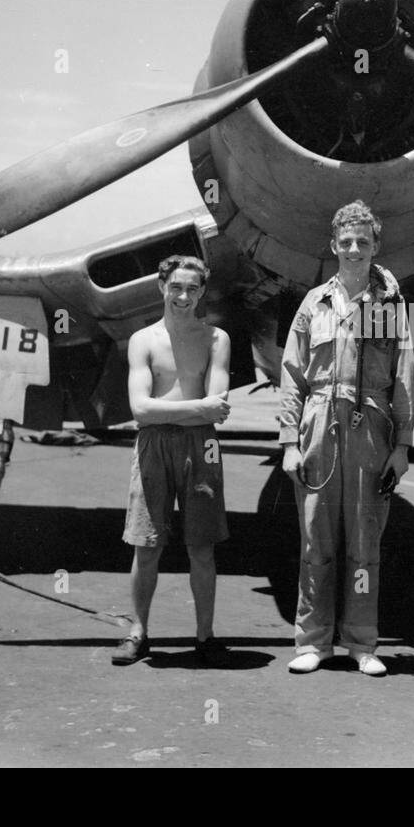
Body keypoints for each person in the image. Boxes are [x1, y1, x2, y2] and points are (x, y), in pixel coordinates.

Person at [278, 201, 414, 677]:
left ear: (375, 245)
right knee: (316, 539)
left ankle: (361, 642)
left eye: (363, 242)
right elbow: (293, 374)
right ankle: (313, 641)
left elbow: (403, 377)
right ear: (333, 246)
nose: (354, 249)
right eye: (346, 242)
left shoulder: (391, 306)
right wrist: (289, 442)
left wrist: (401, 446)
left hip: (370, 426)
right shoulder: (313, 303)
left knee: (364, 544)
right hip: (318, 423)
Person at [112, 255, 232, 667]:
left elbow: (217, 411)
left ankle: (205, 636)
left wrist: (178, 408)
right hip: (154, 446)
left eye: (193, 289)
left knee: (201, 545)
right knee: (146, 545)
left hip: (202, 448)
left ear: (202, 292)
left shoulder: (217, 339)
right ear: (162, 287)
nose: (183, 296)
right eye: (176, 287)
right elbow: (140, 411)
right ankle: (138, 633)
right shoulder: (142, 340)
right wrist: (197, 406)